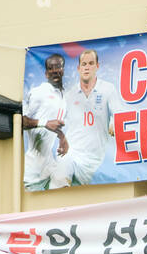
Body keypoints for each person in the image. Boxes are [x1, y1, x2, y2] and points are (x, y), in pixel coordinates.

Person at [50, 49, 120, 188]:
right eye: (84, 64)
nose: (87, 67)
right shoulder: (69, 95)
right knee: (59, 182)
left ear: (97, 66)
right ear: (78, 68)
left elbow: (118, 113)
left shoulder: (108, 89)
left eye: (91, 63)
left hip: (93, 159)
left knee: (77, 196)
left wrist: (113, 123)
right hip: (71, 152)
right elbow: (56, 120)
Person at [22, 54, 68, 191]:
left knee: (65, 192)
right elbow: (22, 121)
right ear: (46, 73)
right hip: (34, 169)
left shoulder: (62, 97)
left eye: (58, 67)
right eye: (50, 68)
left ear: (63, 70)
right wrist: (45, 123)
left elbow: (52, 124)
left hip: (49, 164)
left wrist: (61, 136)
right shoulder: (38, 92)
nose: (54, 70)